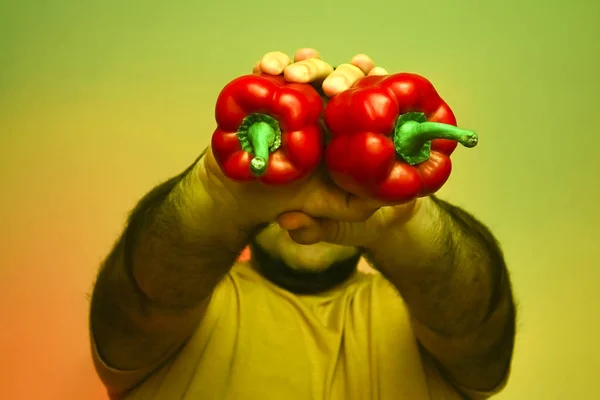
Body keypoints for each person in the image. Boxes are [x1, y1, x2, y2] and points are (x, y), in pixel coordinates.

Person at [89, 48, 516, 400]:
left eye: (334, 167)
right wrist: (218, 192)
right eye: (303, 167)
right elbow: (143, 302)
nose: (314, 191)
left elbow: (476, 325)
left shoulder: (413, 318)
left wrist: (400, 212)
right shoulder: (195, 311)